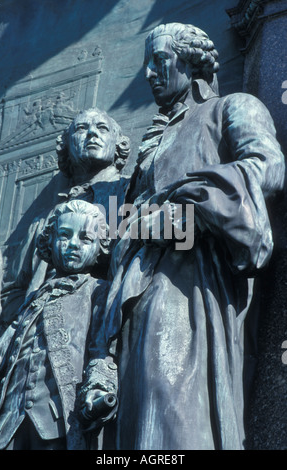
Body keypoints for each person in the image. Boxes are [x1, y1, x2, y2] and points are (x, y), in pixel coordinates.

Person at [104, 23, 285, 450]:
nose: (148, 72)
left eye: (159, 60)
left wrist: (194, 206)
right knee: (132, 426)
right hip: (132, 287)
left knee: (170, 404)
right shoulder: (152, 142)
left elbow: (270, 165)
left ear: (190, 61)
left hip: (188, 281)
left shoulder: (231, 107)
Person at [0, 200, 117, 450]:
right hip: (8, 422)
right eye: (64, 235)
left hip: (57, 422)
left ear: (100, 248)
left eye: (85, 239)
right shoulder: (33, 299)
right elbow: (2, 348)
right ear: (49, 241)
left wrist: (98, 389)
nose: (73, 244)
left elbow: (101, 349)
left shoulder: (98, 292)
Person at [0, 108, 130, 335]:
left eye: (102, 128)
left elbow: (176, 235)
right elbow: (15, 290)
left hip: (101, 325)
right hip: (35, 335)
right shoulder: (43, 222)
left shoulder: (134, 194)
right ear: (67, 146)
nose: (91, 134)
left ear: (118, 144)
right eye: (81, 128)